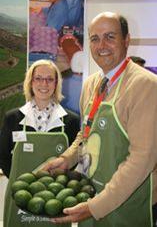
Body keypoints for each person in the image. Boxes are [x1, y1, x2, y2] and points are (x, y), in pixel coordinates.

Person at [43, 12, 157, 227]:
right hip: (90, 193)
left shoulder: (146, 85)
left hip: (127, 204)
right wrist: (67, 159)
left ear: (126, 40)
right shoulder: (91, 84)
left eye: (110, 37)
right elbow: (85, 134)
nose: (101, 45)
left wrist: (96, 206)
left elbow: (143, 158)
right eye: (95, 38)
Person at [0, 59, 80, 227]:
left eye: (50, 79)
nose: (44, 83)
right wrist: (20, 184)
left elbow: (73, 158)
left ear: (56, 83)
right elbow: (3, 155)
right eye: (38, 78)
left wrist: (54, 184)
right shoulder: (12, 118)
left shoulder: (71, 120)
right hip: (20, 197)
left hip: (55, 199)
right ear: (30, 82)